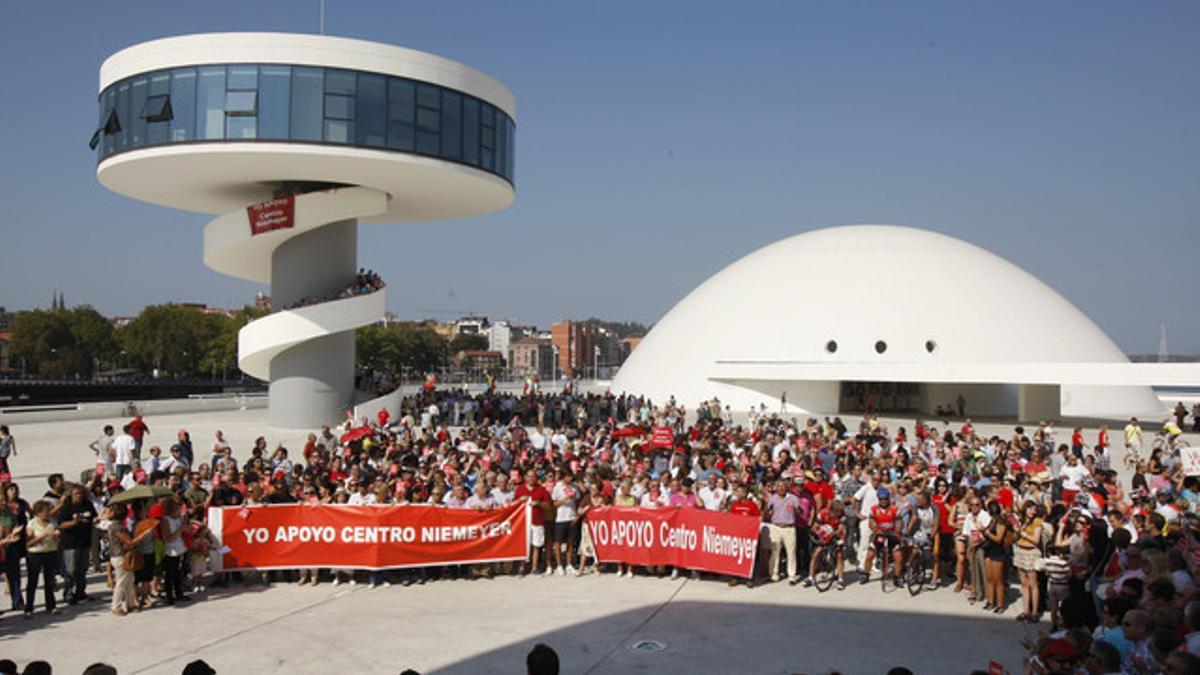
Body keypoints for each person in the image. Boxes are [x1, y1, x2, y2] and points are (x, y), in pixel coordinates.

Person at [57, 484, 97, 604]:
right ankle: (68, 594)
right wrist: (73, 523)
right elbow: (61, 524)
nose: (79, 496)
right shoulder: (67, 507)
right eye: (76, 494)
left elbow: (93, 517)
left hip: (85, 542)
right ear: (72, 495)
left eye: (80, 493)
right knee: (70, 571)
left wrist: (97, 520)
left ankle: (81, 592)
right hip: (70, 543)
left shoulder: (87, 505)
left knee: (82, 569)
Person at [23, 500, 62, 617]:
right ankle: (29, 608)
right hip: (35, 554)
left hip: (50, 552)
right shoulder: (32, 524)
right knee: (32, 581)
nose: (48, 513)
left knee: (49, 581)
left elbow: (57, 541)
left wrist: (57, 537)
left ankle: (51, 606)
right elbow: (29, 543)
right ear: (39, 512)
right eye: (46, 511)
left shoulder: (51, 523)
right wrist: (44, 535)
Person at [860, 487, 903, 585]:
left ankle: (897, 577)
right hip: (880, 534)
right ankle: (865, 574)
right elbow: (871, 522)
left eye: (885, 498)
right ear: (878, 499)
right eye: (881, 499)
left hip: (892, 534)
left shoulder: (894, 509)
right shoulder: (874, 509)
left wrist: (897, 530)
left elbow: (899, 522)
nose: (883, 501)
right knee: (870, 554)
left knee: (898, 556)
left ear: (888, 498)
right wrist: (875, 529)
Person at [514, 469, 551, 575]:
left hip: (538, 522)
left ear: (536, 478)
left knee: (536, 545)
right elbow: (513, 505)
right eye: (529, 476)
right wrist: (519, 500)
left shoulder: (542, 490)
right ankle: (522, 567)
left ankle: (534, 568)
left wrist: (539, 503)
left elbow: (548, 506)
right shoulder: (519, 489)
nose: (531, 478)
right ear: (525, 477)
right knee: (524, 545)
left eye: (533, 476)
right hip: (523, 522)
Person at [764, 479, 800, 584]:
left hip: (789, 527)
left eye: (783, 486)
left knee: (791, 552)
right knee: (775, 552)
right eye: (779, 486)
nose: (781, 488)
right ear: (776, 488)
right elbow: (767, 510)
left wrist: (799, 509)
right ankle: (774, 574)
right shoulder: (773, 498)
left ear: (786, 487)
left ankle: (792, 576)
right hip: (776, 527)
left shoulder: (793, 498)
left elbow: (798, 509)